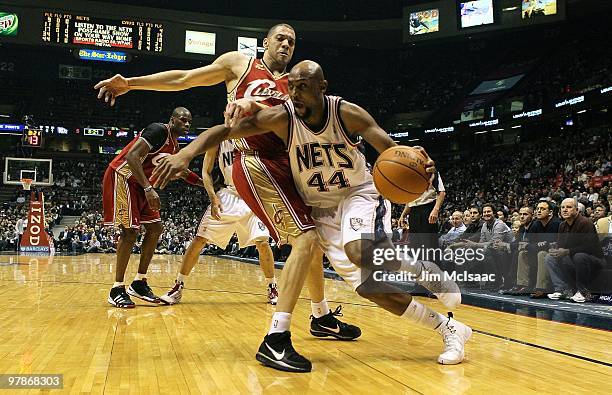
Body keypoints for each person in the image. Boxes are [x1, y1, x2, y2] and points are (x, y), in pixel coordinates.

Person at [153, 61, 470, 372]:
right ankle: (448, 329)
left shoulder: (346, 113)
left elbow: (391, 150)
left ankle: (421, 268)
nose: (295, 93)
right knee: (372, 291)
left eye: (303, 87)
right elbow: (226, 131)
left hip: (356, 194)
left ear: (322, 88)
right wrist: (185, 153)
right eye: (291, 86)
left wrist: (416, 159)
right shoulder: (283, 116)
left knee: (358, 251)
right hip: (320, 208)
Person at [95, 23, 360, 339]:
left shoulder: (296, 84)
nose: (286, 44)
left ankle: (321, 315)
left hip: (291, 166)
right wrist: (131, 83)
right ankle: (279, 332)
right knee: (305, 240)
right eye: (280, 38)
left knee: (311, 243)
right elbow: (184, 79)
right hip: (254, 164)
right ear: (265, 42)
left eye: (292, 41)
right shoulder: (240, 63)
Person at [102, 107, 203, 308]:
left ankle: (139, 282)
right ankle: (117, 288)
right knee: (130, 232)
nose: (187, 124)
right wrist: (149, 188)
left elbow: (182, 172)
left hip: (140, 184)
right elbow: (131, 157)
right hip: (123, 177)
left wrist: (206, 184)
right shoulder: (158, 130)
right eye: (183, 120)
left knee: (156, 229)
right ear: (172, 119)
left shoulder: (174, 147)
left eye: (189, 121)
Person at [159, 139, 278, 305]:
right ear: (225, 112)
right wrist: (213, 197)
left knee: (263, 243)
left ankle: (272, 287)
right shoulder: (219, 138)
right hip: (228, 195)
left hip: (253, 196)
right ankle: (178, 286)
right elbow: (206, 172)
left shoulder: (254, 135)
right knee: (200, 239)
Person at [546, 198, 605, 303]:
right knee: (549, 257)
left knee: (579, 256)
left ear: (577, 210)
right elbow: (562, 246)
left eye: (569, 207)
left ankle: (583, 292)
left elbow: (589, 247)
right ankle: (562, 289)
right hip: (574, 257)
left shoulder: (586, 223)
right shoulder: (562, 225)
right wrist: (556, 250)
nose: (565, 210)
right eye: (562, 207)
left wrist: (566, 251)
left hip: (594, 259)